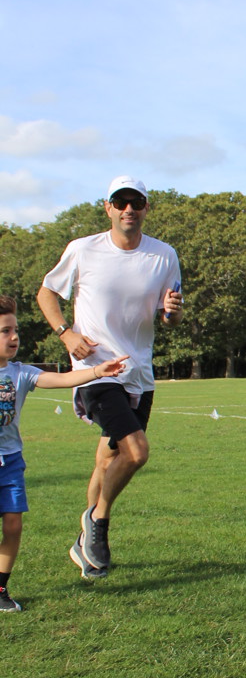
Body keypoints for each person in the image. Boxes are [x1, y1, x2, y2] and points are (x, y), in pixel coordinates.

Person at [36, 176, 183, 581]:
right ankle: (98, 522)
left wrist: (172, 312)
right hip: (96, 370)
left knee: (107, 458)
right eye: (120, 202)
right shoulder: (83, 249)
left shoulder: (164, 255)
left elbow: (170, 317)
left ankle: (86, 543)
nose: (128, 209)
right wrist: (66, 333)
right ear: (108, 208)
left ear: (146, 207)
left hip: (139, 373)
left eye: (136, 202)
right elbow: (47, 293)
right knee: (136, 453)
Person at [0, 296, 127, 610]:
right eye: (5, 331)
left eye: (15, 330)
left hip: (10, 462)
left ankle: (0, 589)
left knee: (13, 525)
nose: (14, 337)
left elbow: (63, 378)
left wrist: (98, 371)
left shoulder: (20, 373)